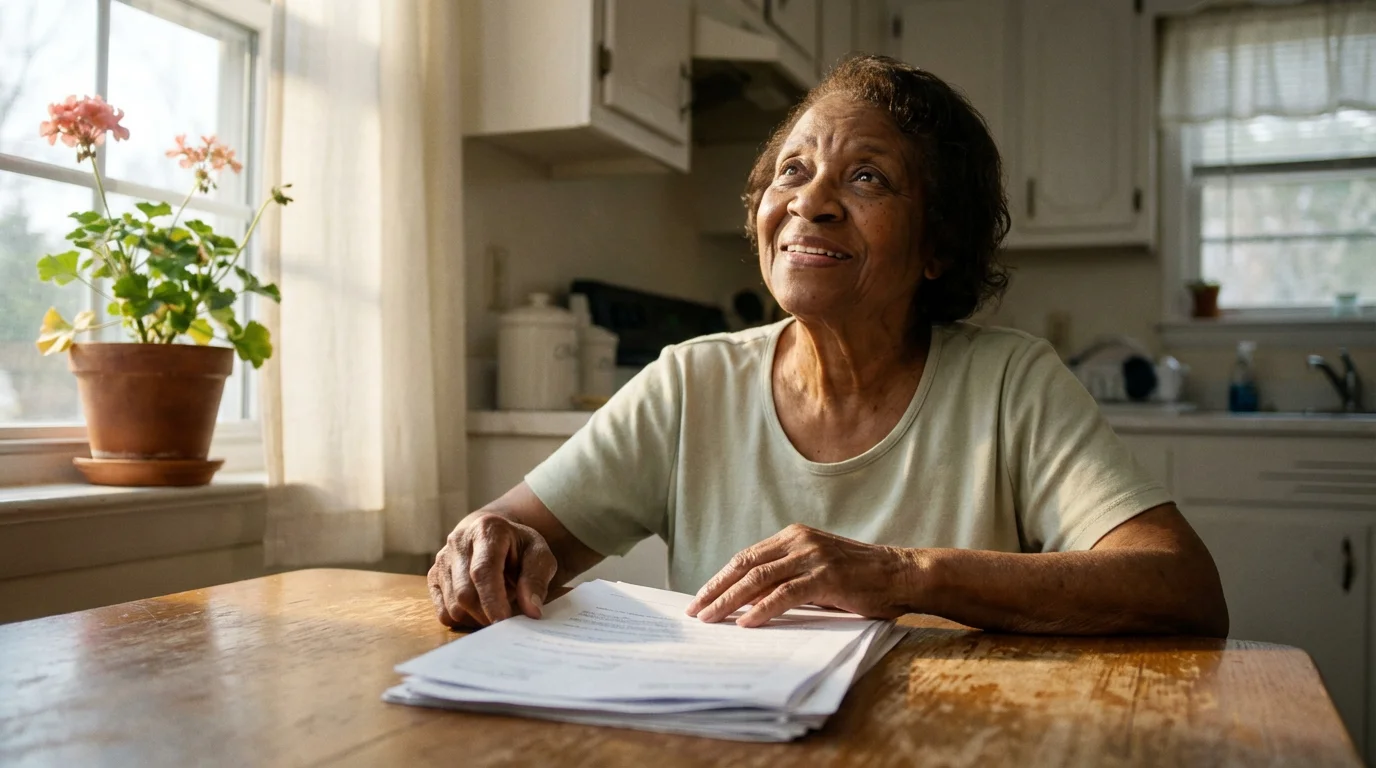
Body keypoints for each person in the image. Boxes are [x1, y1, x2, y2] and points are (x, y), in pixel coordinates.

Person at [429, 55, 1229, 637]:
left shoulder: (1011, 381)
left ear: (937, 244)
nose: (810, 202)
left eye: (868, 178)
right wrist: (491, 546)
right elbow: (522, 537)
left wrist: (901, 576)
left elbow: (1180, 585)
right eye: (793, 170)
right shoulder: (692, 380)